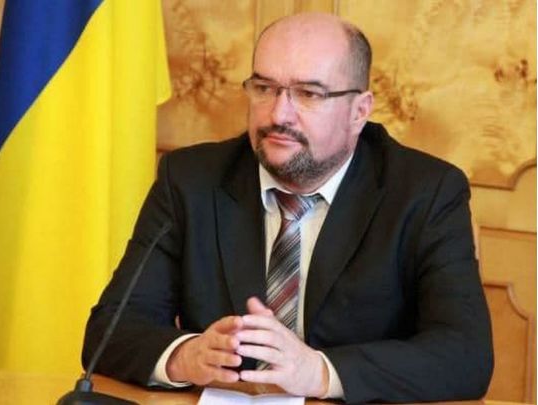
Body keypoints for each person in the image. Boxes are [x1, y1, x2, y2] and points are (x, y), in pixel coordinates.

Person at [82, 12, 493, 404]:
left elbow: (465, 355)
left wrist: (320, 371)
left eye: (308, 94)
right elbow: (110, 329)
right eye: (264, 88)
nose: (279, 114)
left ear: (359, 112)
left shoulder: (426, 193)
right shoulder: (192, 180)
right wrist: (184, 356)